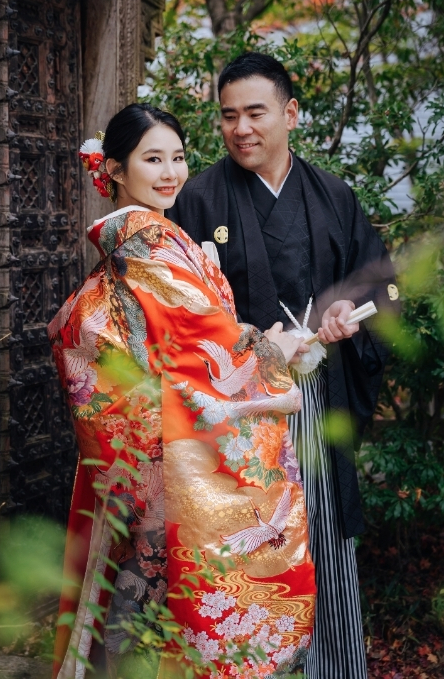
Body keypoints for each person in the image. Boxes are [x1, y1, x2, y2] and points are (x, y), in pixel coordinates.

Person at [50, 104, 316, 678]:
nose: (170, 172)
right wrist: (271, 348)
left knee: (137, 592)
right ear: (116, 169)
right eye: (152, 159)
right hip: (167, 456)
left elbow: (190, 335)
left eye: (177, 157)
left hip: (146, 446)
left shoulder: (149, 241)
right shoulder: (146, 241)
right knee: (167, 593)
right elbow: (205, 344)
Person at [168, 53, 397, 678]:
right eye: (228, 116)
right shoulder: (197, 199)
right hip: (238, 410)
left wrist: (354, 309)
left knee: (322, 538)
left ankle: (337, 668)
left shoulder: (332, 195)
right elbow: (179, 313)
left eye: (256, 113)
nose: (241, 128)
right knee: (246, 545)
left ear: (290, 114)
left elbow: (387, 286)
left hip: (315, 401)